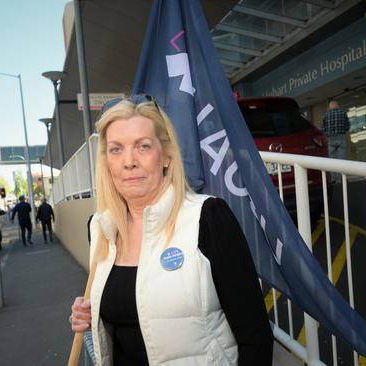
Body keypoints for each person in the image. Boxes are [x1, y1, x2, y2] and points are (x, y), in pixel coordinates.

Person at [69, 95, 272, 365]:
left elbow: (255, 336)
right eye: (116, 149)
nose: (129, 161)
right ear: (106, 161)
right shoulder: (100, 227)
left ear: (165, 156)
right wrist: (94, 310)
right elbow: (135, 305)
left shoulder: (208, 218)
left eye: (142, 146)